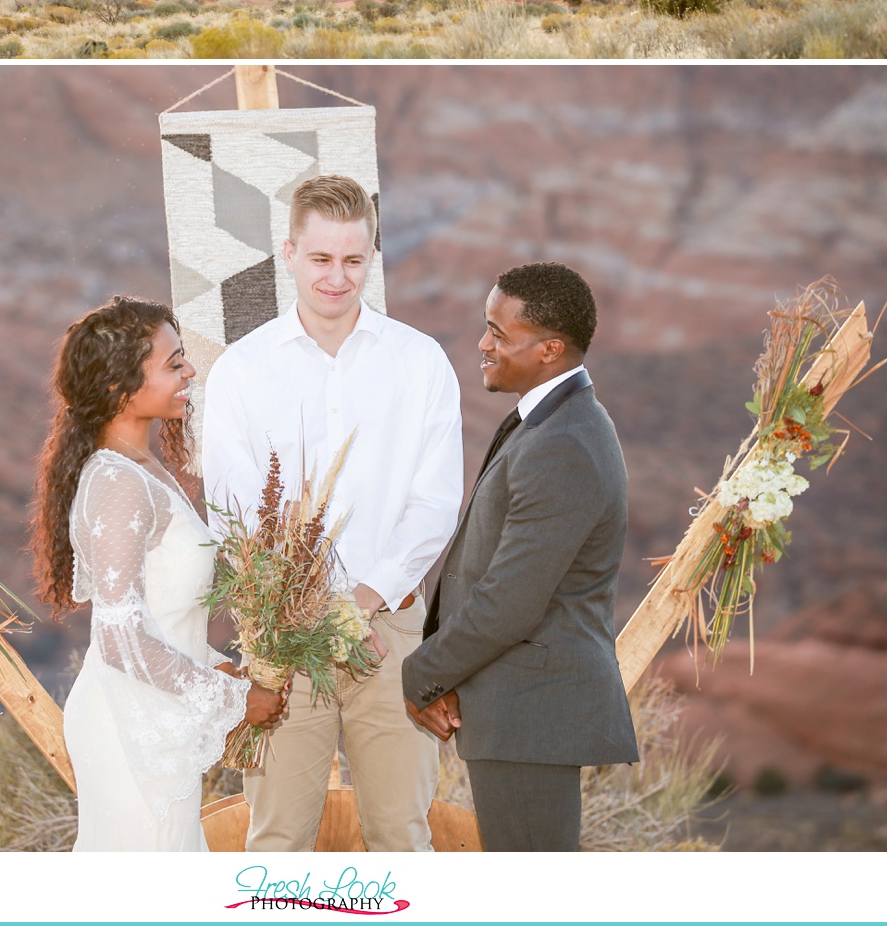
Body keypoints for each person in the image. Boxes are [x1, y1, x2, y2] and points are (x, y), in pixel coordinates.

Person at [201, 171, 463, 852]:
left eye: (352, 260)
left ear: (372, 258)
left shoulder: (420, 362)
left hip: (392, 633)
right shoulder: (241, 369)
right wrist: (312, 611)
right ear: (288, 254)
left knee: (402, 836)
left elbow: (436, 503)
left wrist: (363, 599)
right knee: (277, 837)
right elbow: (233, 512)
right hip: (282, 640)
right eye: (320, 258)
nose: (336, 278)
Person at [31, 296, 287, 851]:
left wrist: (228, 670)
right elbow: (121, 637)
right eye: (173, 363)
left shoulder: (143, 469)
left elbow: (164, 616)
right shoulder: (119, 484)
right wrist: (235, 699)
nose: (190, 371)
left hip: (155, 713)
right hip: (129, 727)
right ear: (120, 386)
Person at [401, 262, 637, 853]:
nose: (483, 345)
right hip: (517, 709)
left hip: (531, 716)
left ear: (550, 349)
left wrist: (422, 674)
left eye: (499, 334)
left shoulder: (562, 444)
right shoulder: (551, 422)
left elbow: (510, 601)